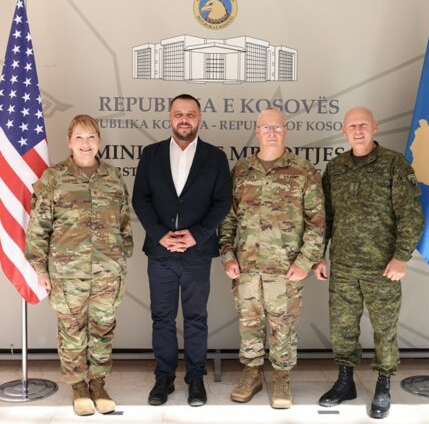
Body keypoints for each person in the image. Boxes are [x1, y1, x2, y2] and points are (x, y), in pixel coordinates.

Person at [313, 107, 424, 419]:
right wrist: (319, 255)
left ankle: (383, 384)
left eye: (363, 124)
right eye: (352, 126)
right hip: (343, 267)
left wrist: (401, 257)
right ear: (344, 131)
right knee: (342, 326)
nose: (358, 130)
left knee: (384, 329)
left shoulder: (394, 164)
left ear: (375, 127)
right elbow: (326, 217)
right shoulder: (335, 168)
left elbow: (411, 215)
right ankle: (345, 382)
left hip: (382, 267)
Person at [25, 114, 133, 416]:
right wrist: (40, 268)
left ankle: (98, 384)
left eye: (91, 137)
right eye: (79, 138)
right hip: (67, 274)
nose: (86, 144)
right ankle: (79, 388)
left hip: (107, 272)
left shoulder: (113, 177)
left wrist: (121, 256)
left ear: (99, 140)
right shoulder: (54, 178)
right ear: (69, 142)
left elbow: (124, 221)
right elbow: (39, 226)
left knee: (103, 329)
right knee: (72, 331)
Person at [218, 107, 325, 409]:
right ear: (257, 131)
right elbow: (228, 218)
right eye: (266, 128)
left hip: (286, 268)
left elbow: (317, 222)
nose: (272, 133)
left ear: (285, 131)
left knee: (283, 325)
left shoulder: (303, 171)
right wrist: (227, 254)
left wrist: (305, 262)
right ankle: (251, 374)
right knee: (249, 323)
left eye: (277, 127)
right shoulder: (241, 170)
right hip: (247, 266)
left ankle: (281, 377)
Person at [132, 94, 231, 407]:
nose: (184, 119)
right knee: (162, 318)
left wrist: (196, 236)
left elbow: (222, 202)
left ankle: (196, 378)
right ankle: (164, 378)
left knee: (196, 317)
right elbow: (140, 199)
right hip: (160, 253)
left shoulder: (215, 157)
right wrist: (161, 235)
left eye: (190, 114)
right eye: (179, 114)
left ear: (199, 119)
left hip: (196, 254)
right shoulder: (151, 154)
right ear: (170, 118)